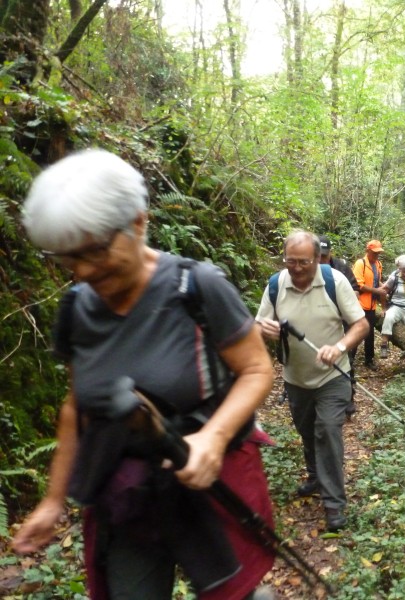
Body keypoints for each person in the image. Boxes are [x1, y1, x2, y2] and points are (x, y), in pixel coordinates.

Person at [12, 149, 276, 600]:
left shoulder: (196, 287)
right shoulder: (77, 308)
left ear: (137, 223)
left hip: (209, 482)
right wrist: (53, 501)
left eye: (95, 249)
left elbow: (255, 369)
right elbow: (77, 407)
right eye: (66, 257)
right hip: (129, 494)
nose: (83, 270)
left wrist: (213, 437)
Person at [256, 231, 368, 532]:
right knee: (307, 431)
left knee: (328, 430)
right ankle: (316, 476)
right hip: (296, 378)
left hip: (333, 376)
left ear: (317, 258)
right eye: (289, 261)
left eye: (303, 262)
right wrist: (263, 330)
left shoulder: (335, 282)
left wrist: (340, 347)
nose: (296, 267)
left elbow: (361, 325)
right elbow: (257, 326)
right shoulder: (276, 285)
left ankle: (334, 503)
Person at [318, 235, 359, 417]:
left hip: (343, 322)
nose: (321, 261)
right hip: (319, 324)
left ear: (330, 253)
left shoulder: (342, 268)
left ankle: (348, 401)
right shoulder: (307, 269)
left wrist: (345, 304)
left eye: (324, 256)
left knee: (345, 359)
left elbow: (356, 289)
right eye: (317, 256)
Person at [352, 239, 387, 368]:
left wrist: (383, 289)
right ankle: (349, 360)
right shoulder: (360, 264)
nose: (376, 255)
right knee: (356, 332)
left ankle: (369, 360)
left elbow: (378, 281)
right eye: (374, 253)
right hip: (359, 304)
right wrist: (376, 290)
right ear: (368, 251)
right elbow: (359, 285)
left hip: (372, 305)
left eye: (378, 253)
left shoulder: (378, 264)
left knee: (370, 333)